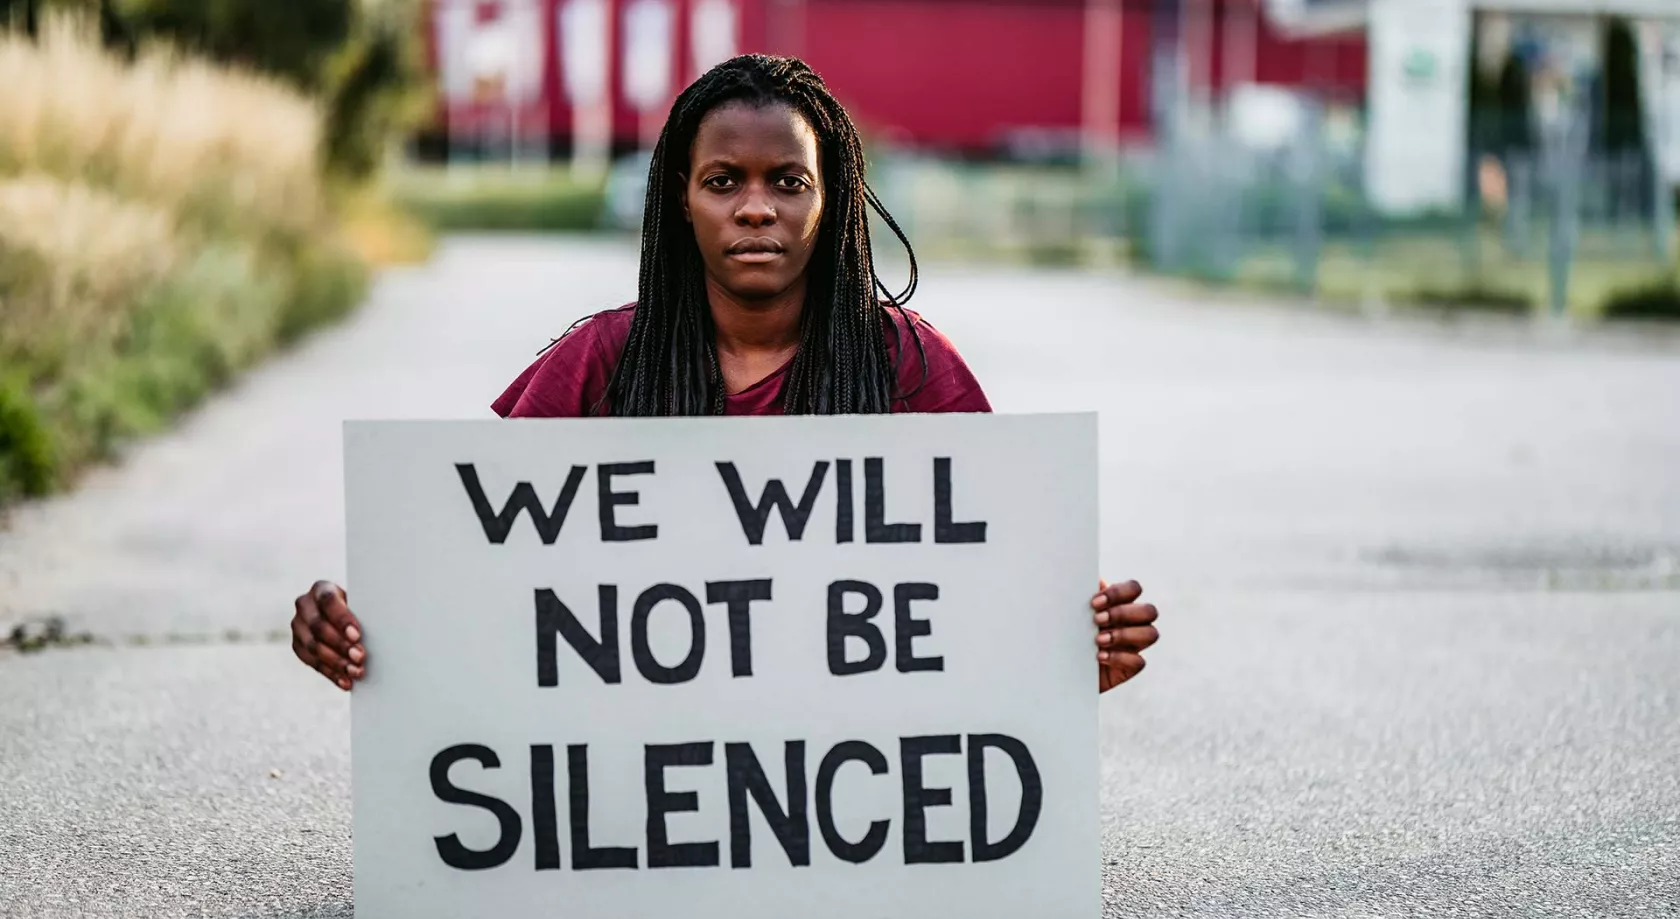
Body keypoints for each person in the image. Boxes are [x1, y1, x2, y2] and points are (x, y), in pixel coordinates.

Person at [290, 54, 1158, 694]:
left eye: (788, 180)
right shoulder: (601, 363)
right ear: (679, 197)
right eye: (721, 180)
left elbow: (994, 578)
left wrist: (1079, 645)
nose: (754, 205)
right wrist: (363, 627)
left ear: (832, 200)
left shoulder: (909, 364)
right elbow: (470, 563)